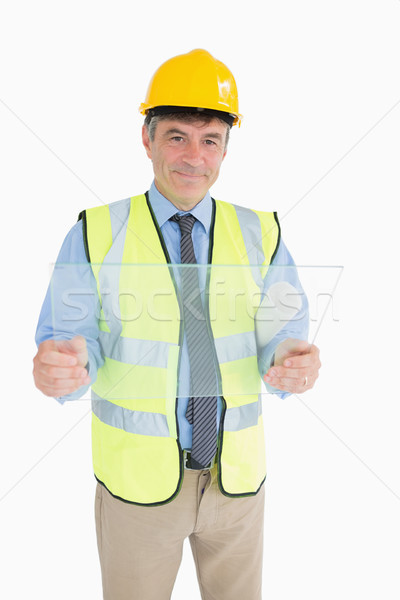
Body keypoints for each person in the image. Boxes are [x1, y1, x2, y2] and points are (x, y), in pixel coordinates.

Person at [33, 49, 321, 600]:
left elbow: (283, 333)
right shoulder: (95, 233)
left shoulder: (262, 233)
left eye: (209, 139)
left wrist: (291, 362)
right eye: (176, 136)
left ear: (226, 149)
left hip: (236, 484)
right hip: (138, 490)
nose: (194, 156)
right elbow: (68, 338)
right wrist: (62, 369)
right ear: (147, 140)